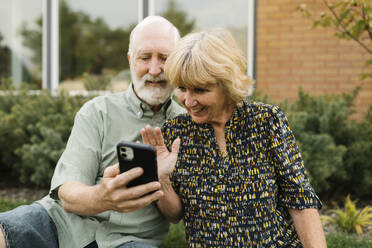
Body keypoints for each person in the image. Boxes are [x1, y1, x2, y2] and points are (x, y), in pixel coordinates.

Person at [0, 16, 185, 248]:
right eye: (145, 57)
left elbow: (175, 215)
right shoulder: (97, 111)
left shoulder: (186, 124)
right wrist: (104, 197)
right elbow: (67, 193)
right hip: (60, 223)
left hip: (129, 240)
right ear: (130, 61)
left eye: (165, 58)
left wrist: (162, 181)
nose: (155, 69)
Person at [140, 29, 327, 247]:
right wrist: (162, 181)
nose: (188, 102)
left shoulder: (266, 121)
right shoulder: (175, 133)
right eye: (182, 88)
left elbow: (300, 202)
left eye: (200, 90)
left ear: (226, 84)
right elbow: (175, 215)